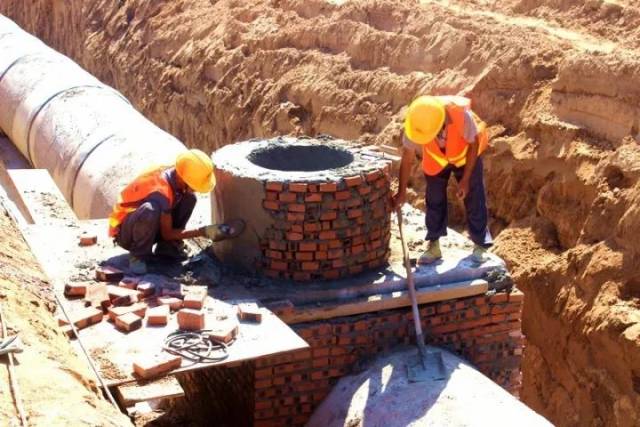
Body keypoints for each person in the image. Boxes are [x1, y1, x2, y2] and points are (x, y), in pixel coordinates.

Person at [108, 149, 243, 274]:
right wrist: (204, 231)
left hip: (148, 225)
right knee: (151, 210)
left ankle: (167, 247)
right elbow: (167, 233)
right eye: (194, 185)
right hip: (127, 233)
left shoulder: (176, 174)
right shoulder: (160, 192)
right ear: (183, 179)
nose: (196, 189)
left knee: (190, 198)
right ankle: (138, 255)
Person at [392, 95, 492, 264]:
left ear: (441, 123)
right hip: (436, 160)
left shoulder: (461, 116)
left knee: (474, 196)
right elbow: (407, 158)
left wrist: (465, 180)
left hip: (465, 155)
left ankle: (480, 244)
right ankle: (434, 245)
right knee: (434, 198)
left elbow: (473, 144)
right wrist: (401, 192)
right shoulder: (416, 123)